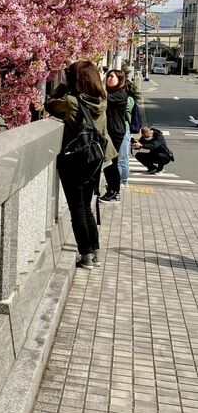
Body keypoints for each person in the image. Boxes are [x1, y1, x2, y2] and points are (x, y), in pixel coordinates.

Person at [45, 61, 116, 269]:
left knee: (77, 210)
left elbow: (50, 104)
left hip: (75, 161)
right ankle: (95, 252)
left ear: (76, 79)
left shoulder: (71, 101)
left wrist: (63, 86)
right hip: (96, 159)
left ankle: (85, 255)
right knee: (87, 207)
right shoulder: (102, 100)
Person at [100, 69, 128, 203]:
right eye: (108, 76)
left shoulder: (120, 94)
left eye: (111, 76)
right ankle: (111, 189)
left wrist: (98, 81)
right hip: (109, 131)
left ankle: (114, 192)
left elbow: (103, 97)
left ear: (119, 80)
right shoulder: (112, 92)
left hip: (115, 132)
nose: (108, 78)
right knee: (107, 162)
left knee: (111, 162)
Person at [118, 78, 136, 187]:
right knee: (120, 158)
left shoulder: (129, 100)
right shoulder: (128, 99)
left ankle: (123, 180)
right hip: (120, 130)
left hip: (124, 130)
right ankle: (120, 179)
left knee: (123, 158)